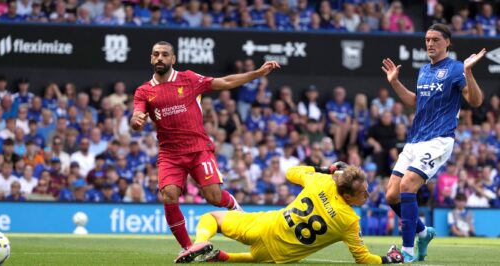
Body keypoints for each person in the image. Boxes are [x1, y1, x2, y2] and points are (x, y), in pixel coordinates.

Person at [130, 41, 280, 259]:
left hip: (198, 149)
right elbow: (136, 116)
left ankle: (240, 213)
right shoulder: (144, 91)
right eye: (156, 54)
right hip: (170, 154)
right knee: (169, 195)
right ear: (151, 59)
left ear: (173, 59)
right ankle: (189, 248)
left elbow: (226, 81)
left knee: (213, 196)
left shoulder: (189, 79)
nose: (160, 58)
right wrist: (136, 121)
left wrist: (257, 73)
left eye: (164, 54)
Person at [381, 23, 485, 262]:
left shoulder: (456, 69)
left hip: (439, 139)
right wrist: (395, 82)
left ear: (447, 42)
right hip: (415, 139)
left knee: (408, 186)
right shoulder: (424, 71)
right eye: (427, 39)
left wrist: (468, 71)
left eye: (435, 39)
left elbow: (476, 101)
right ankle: (422, 232)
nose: (430, 43)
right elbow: (415, 102)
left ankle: (406, 252)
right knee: (391, 195)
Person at [177, 164, 404, 264]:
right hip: (282, 255)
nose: (368, 194)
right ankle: (227, 258)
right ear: (346, 195)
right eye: (362, 192)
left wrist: (326, 170)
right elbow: (363, 260)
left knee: (211, 218)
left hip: (266, 226)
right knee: (257, 258)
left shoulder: (321, 181)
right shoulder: (350, 221)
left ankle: (201, 242)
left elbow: (291, 172)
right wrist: (387, 260)